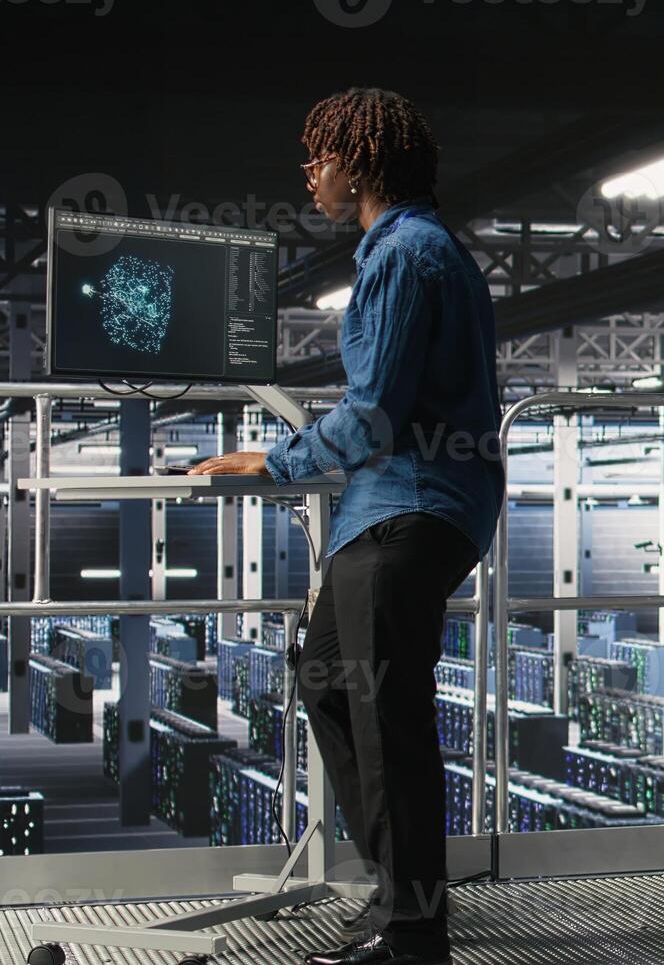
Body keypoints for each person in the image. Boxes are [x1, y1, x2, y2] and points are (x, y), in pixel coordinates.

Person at [192, 87, 504, 965]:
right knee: (330, 683)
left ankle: (413, 930)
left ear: (359, 163)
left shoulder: (404, 254)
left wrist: (277, 459)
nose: (311, 172)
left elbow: (372, 416)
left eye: (319, 155)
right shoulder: (415, 251)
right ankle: (400, 892)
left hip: (411, 506)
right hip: (396, 510)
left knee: (383, 712)